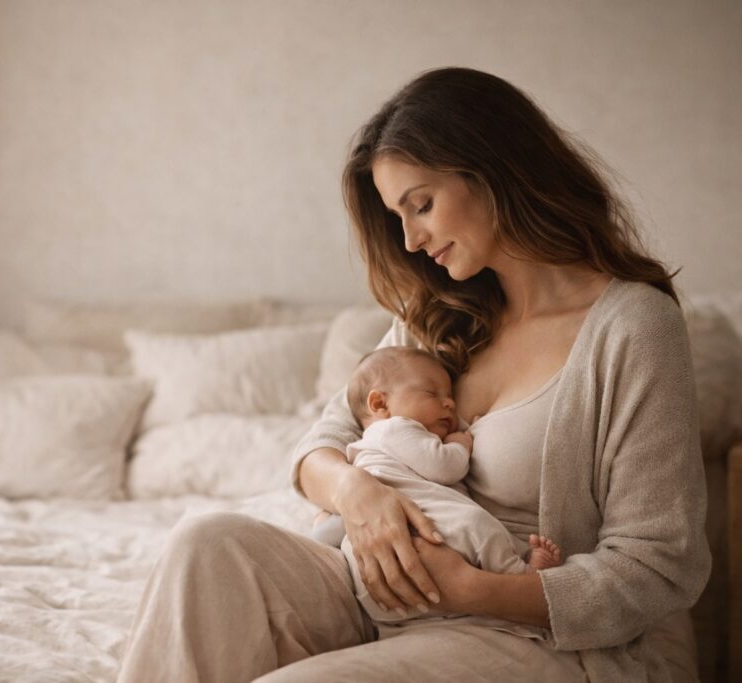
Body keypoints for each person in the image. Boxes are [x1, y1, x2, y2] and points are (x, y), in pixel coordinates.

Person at [117, 67, 710, 682]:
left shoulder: (632, 326)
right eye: (397, 215)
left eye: (420, 205)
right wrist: (359, 495)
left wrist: (468, 590)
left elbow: (658, 565)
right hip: (381, 596)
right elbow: (317, 449)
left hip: (522, 630)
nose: (409, 239)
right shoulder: (437, 316)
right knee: (206, 545)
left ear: (495, 171)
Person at [310, 346, 562, 628]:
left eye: (451, 396)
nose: (450, 404)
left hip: (378, 581)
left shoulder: (363, 449)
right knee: (476, 523)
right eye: (432, 394)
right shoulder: (396, 428)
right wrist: (461, 442)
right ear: (380, 404)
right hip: (424, 535)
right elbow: (445, 466)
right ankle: (520, 572)